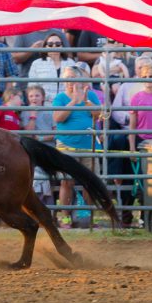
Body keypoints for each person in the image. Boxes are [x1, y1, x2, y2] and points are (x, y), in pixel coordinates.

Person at [52, 65, 101, 229]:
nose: (69, 81)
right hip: (66, 145)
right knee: (67, 181)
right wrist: (73, 100)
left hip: (89, 145)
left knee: (90, 181)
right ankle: (65, 218)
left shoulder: (91, 95)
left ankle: (89, 217)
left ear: (80, 79)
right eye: (67, 79)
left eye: (72, 78)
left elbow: (99, 115)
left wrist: (86, 101)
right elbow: (58, 118)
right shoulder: (60, 97)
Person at [22, 85, 56, 207]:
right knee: (35, 179)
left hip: (48, 149)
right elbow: (27, 133)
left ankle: (49, 207)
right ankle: (36, 206)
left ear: (43, 97)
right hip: (32, 150)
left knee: (48, 180)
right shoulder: (25, 112)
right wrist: (33, 115)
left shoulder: (50, 111)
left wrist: (41, 138)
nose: (34, 98)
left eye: (37, 95)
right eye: (31, 96)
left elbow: (56, 132)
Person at [27, 33, 77, 104]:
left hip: (66, 103)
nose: (54, 46)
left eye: (58, 44)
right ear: (45, 47)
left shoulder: (70, 63)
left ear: (62, 46)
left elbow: (76, 84)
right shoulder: (36, 64)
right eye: (50, 44)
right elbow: (32, 87)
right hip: (45, 105)